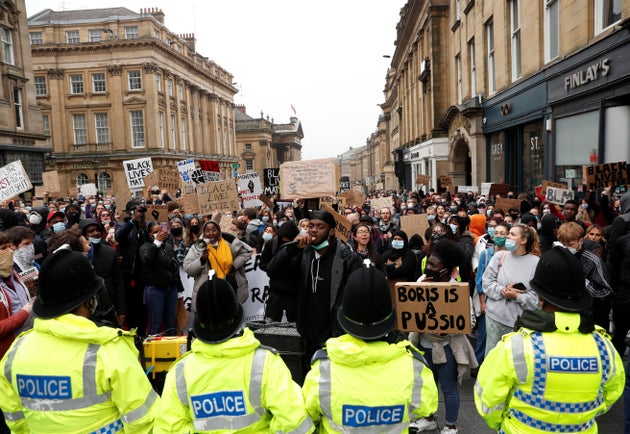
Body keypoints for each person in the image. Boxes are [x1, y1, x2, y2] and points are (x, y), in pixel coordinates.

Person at [0, 249, 159, 433]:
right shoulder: (108, 350)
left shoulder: (15, 353)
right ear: (90, 301)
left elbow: (16, 421)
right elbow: (144, 422)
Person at [474, 246, 624, 433]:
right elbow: (612, 393)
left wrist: (503, 423)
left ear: (540, 299)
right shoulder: (604, 347)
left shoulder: (517, 346)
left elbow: (487, 399)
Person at [155, 274, 314, 433]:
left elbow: (168, 429)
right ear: (237, 317)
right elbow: (296, 423)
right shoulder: (264, 363)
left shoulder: (180, 372)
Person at [302, 265, 438, 432]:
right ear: (389, 317)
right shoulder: (414, 367)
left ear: (344, 317)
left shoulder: (323, 369)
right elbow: (427, 407)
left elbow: (308, 414)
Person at [410, 239, 478, 434]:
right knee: (427, 386)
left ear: (446, 269)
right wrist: (419, 290)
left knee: (448, 388)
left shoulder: (457, 290)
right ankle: (428, 418)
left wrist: (448, 329)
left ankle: (450, 424)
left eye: (433, 265)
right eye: (428, 263)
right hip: (422, 344)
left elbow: (469, 322)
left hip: (446, 348)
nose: (428, 267)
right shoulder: (421, 280)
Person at [277, 210, 363, 360]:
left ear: (331, 231)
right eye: (311, 226)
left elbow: (356, 295)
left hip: (335, 331)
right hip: (308, 329)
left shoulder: (347, 257)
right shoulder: (304, 253)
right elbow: (273, 270)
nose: (314, 230)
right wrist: (293, 248)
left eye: (320, 226)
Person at [483, 223, 541, 355]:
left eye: (512, 234)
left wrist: (517, 296)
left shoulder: (536, 263)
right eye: (509, 233)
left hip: (520, 324)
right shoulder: (500, 256)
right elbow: (486, 282)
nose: (508, 236)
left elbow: (538, 299)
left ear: (524, 240)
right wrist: (502, 291)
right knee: (492, 358)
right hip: (495, 319)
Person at [183, 220, 253, 314]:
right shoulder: (198, 247)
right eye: (207, 231)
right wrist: (202, 259)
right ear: (204, 233)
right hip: (208, 291)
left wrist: (233, 266)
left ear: (219, 231)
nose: (211, 233)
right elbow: (188, 268)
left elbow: (247, 252)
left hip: (229, 287)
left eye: (214, 230)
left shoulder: (229, 243)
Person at [556, 222, 612, 330]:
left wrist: (581, 282)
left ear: (581, 241)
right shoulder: (557, 255)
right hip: (559, 311)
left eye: (570, 245)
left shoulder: (592, 260)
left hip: (583, 315)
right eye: (563, 244)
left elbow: (605, 291)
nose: (566, 248)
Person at [80, 219, 126, 328]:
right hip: (90, 309)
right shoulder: (80, 256)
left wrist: (121, 310)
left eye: (97, 230)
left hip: (111, 303)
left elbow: (119, 282)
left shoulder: (109, 251)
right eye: (91, 231)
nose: (95, 233)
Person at [139, 221, 182, 336]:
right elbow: (147, 260)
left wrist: (179, 288)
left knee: (170, 322)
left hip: (170, 289)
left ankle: (171, 349)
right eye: (155, 232)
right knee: (155, 322)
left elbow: (174, 267)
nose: (159, 234)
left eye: (160, 231)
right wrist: (156, 243)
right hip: (155, 290)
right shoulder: (145, 247)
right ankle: (151, 350)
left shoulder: (167, 246)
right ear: (149, 234)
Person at [115, 199, 151, 335]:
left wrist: (143, 229)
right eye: (137, 210)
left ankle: (142, 335)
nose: (140, 214)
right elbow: (119, 237)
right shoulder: (121, 225)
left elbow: (149, 246)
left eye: (141, 211)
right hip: (128, 274)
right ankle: (132, 334)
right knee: (131, 308)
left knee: (143, 308)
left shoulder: (144, 226)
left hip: (143, 275)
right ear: (130, 212)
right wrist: (132, 222)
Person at [260, 220, 301, 322]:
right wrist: (274, 269)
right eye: (283, 239)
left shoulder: (300, 247)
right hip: (275, 292)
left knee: (295, 324)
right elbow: (263, 263)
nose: (286, 241)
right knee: (270, 324)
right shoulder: (272, 244)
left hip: (294, 294)